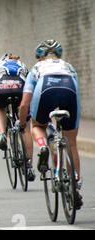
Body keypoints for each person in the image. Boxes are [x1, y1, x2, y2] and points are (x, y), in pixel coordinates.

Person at [18, 39, 83, 209]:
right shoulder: (69, 66)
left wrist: (22, 122)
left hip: (45, 87)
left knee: (38, 126)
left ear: (40, 56)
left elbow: (25, 103)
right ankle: (75, 183)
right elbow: (77, 94)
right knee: (72, 143)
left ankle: (43, 146)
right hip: (69, 89)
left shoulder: (36, 68)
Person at [0, 53, 35, 181]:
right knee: (26, 129)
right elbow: (30, 90)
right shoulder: (23, 66)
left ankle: (2, 135)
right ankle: (28, 167)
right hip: (20, 88)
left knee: (0, 108)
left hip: (1, 88)